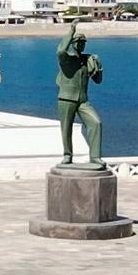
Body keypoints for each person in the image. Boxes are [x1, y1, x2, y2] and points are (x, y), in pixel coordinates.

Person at [55, 22, 104, 167]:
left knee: (96, 123)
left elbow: (98, 80)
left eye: (83, 43)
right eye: (79, 43)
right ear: (73, 43)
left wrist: (99, 67)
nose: (81, 45)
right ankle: (67, 155)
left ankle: (95, 157)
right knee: (66, 128)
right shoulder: (66, 59)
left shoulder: (87, 60)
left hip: (83, 100)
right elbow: (60, 51)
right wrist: (70, 32)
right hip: (66, 98)